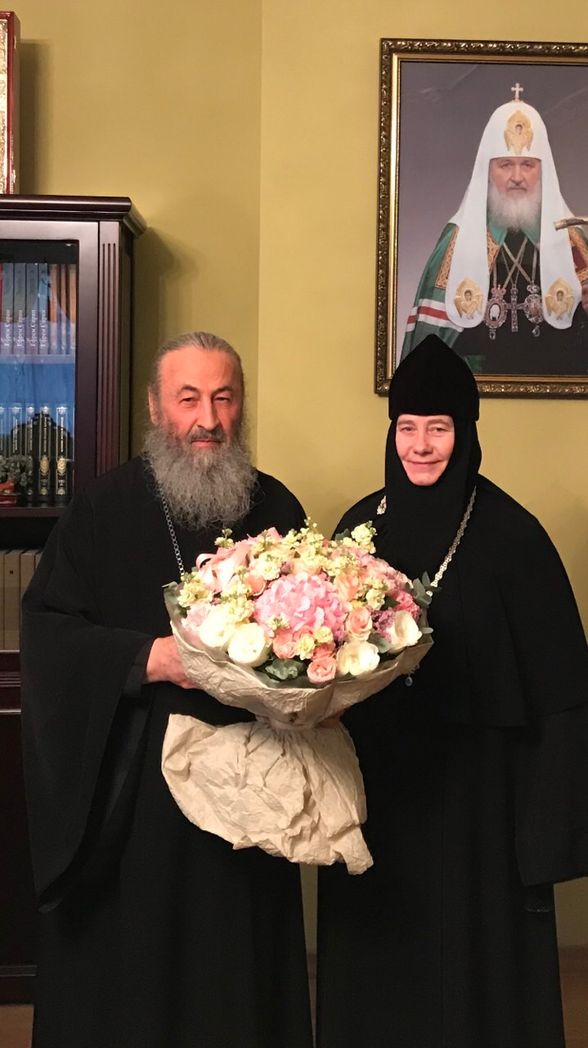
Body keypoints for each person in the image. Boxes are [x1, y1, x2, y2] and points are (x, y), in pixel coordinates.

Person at [20, 331, 314, 1048]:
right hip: (136, 802)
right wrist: (148, 658)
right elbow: (48, 636)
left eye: (223, 398)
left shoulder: (276, 507)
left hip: (249, 803)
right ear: (156, 408)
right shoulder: (102, 508)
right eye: (189, 399)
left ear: (241, 406)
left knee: (235, 984)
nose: (207, 419)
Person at [316, 334, 588, 1048]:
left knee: (475, 982)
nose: (421, 446)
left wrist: (547, 840)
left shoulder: (514, 536)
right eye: (407, 427)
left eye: (437, 428)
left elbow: (563, 697)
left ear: (465, 432)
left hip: (482, 810)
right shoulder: (358, 529)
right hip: (379, 797)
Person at [401, 90, 588, 375]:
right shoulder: (456, 241)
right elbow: (430, 353)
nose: (517, 177)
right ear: (488, 171)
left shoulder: (574, 241)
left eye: (528, 165)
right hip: (479, 393)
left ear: (543, 171)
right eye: (505, 165)